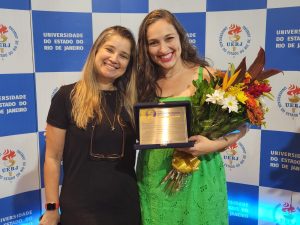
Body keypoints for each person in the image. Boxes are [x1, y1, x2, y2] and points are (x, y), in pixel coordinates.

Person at [136, 9, 248, 225]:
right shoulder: (143, 82)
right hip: (155, 176)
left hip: (200, 174)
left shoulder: (206, 75)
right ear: (145, 47)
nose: (163, 49)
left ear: (180, 37)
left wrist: (212, 145)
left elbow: (242, 125)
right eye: (153, 42)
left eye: (169, 38)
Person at [40, 26, 141, 225]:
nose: (114, 59)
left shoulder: (134, 103)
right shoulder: (66, 96)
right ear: (96, 50)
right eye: (109, 49)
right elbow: (52, 158)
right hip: (79, 209)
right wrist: (51, 209)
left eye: (123, 56)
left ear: (129, 64)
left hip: (125, 207)